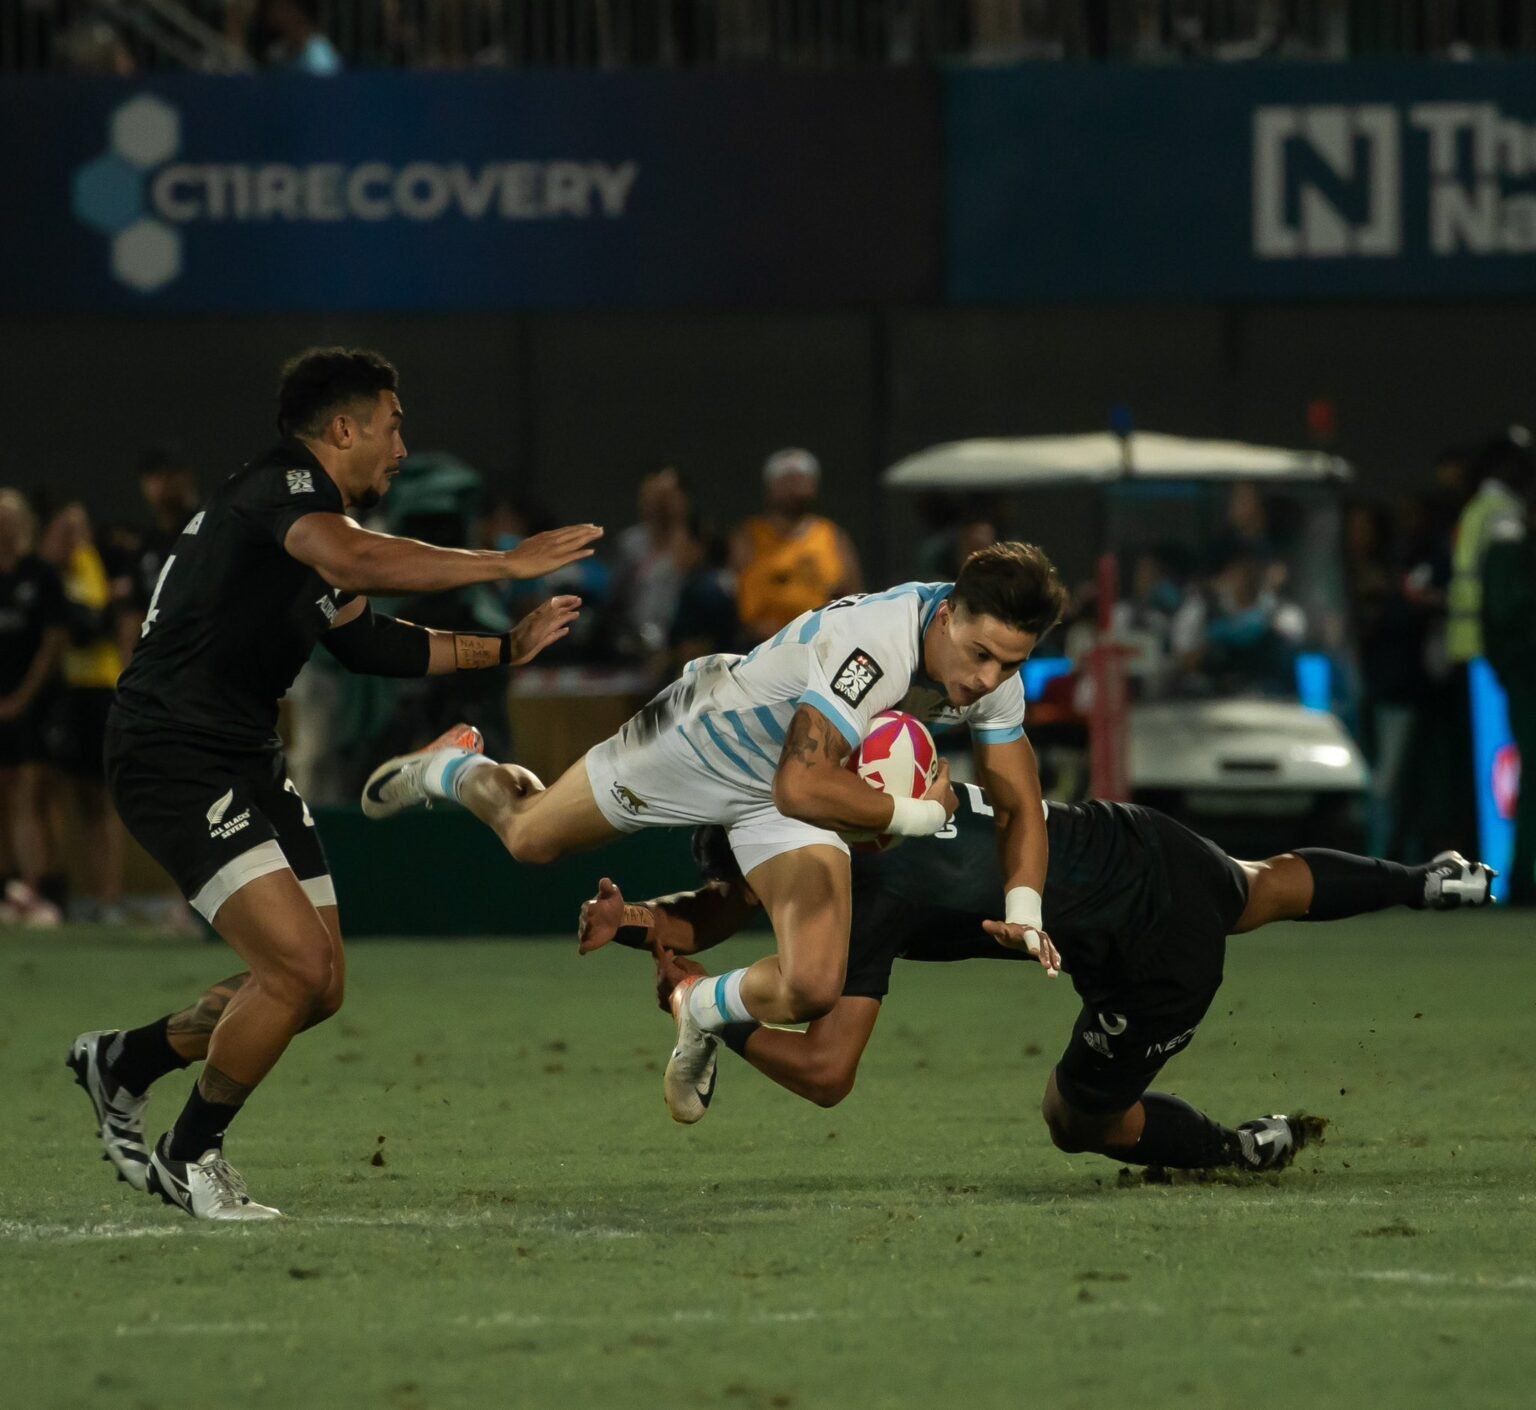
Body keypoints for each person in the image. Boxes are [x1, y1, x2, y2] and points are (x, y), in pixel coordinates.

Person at [66, 346, 602, 1221]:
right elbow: (352, 562)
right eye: (393, 428)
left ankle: (125, 1063)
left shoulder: (312, 531)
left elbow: (372, 641)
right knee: (293, 968)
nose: (401, 447)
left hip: (243, 756)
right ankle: (190, 1154)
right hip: (173, 754)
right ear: (342, 428)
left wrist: (506, 647)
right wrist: (503, 564)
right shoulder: (283, 491)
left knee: (316, 988)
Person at [363, 543, 1068, 1125]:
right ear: (944, 615)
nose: (986, 678)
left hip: (797, 790)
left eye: (1008, 663)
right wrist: (919, 814)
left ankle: (697, 1007)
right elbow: (801, 782)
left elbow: (1020, 804)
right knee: (529, 838)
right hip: (705, 743)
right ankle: (457, 767)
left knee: (815, 986)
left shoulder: (992, 676)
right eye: (979, 654)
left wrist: (1025, 911)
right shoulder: (876, 644)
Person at [579, 783, 1494, 1173]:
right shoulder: (850, 796)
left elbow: (827, 1074)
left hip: (1149, 954)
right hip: (1138, 838)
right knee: (1258, 888)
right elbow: (731, 902)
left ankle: (1235, 1151)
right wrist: (638, 924)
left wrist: (701, 1006)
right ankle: (1426, 880)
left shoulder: (865, 900)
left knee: (1075, 1117)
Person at [38, 500, 128, 920]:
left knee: (101, 799)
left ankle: (108, 898)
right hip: (63, 694)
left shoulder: (96, 564)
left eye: (80, 528)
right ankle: (55, 893)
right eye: (65, 529)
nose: (75, 537)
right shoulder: (45, 572)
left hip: (100, 691)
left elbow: (96, 626)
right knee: (56, 796)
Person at [0, 490, 68, 926]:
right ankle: (8, 888)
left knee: (30, 793)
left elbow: (54, 640)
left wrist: (22, 697)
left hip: (33, 704)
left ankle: (37, 890)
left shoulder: (40, 575)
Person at [733, 448, 862, 644]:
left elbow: (854, 594)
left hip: (820, 642)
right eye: (786, 478)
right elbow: (731, 593)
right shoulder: (748, 536)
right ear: (770, 487)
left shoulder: (831, 535)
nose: (795, 485)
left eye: (802, 477)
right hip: (760, 645)